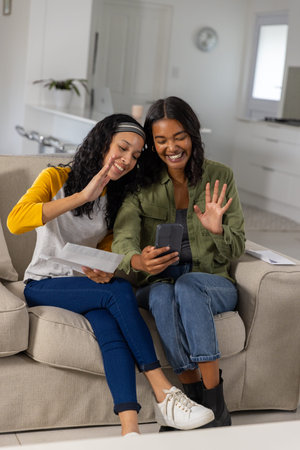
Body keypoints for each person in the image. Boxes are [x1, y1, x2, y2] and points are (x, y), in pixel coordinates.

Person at [7, 113, 215, 437]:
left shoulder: (116, 197)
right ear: (103, 142)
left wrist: (103, 266)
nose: (127, 159)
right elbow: (16, 221)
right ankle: (164, 393)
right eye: (122, 148)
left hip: (85, 284)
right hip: (43, 282)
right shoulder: (55, 177)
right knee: (118, 292)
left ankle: (129, 432)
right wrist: (83, 196)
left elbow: (107, 250)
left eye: (135, 155)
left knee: (108, 326)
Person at [112, 98, 246, 430]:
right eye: (161, 140)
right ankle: (189, 399)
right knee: (160, 295)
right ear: (152, 144)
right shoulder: (141, 185)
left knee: (187, 286)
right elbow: (123, 238)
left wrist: (218, 230)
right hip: (157, 282)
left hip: (211, 282)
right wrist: (139, 260)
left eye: (179, 136)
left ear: (193, 135)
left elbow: (238, 245)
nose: (171, 147)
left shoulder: (220, 175)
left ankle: (214, 403)